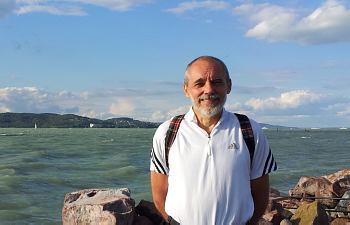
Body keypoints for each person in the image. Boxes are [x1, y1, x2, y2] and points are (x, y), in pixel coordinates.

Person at [150, 56, 277, 225]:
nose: (208, 89)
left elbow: (261, 194)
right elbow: (159, 195)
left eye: (217, 82)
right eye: (199, 83)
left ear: (228, 86)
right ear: (186, 89)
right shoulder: (167, 132)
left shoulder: (250, 131)